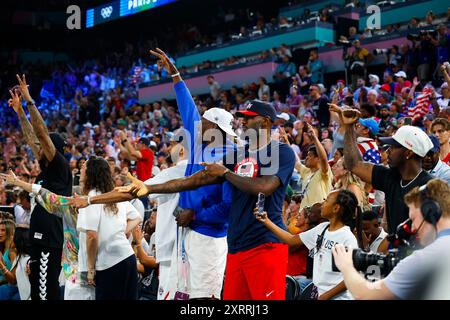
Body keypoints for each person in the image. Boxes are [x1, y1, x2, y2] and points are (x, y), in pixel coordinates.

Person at [70, 99, 296, 301]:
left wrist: (224, 174)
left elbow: (265, 187)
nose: (243, 123)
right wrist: (148, 188)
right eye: (242, 119)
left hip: (264, 244)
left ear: (266, 123)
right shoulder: (237, 155)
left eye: (249, 118)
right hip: (236, 246)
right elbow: (194, 180)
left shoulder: (281, 151)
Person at [148, 48, 235, 300]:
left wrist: (196, 214)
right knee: (185, 295)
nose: (197, 127)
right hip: (186, 231)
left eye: (204, 124)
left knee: (205, 298)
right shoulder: (199, 145)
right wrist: (174, 74)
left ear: (216, 129)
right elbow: (187, 107)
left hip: (210, 234)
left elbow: (227, 206)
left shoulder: (231, 154)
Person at [8, 75, 72, 300]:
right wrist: (19, 113)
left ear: (53, 148)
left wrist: (29, 101)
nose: (38, 147)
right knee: (38, 293)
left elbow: (41, 134)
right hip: (39, 239)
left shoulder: (60, 166)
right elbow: (32, 138)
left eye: (43, 145)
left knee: (46, 294)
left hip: (49, 239)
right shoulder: (47, 167)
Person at [333, 179, 450, 299]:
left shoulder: (426, 258)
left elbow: (364, 294)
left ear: (430, 211)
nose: (413, 227)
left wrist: (346, 266)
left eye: (413, 219)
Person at [337, 106, 433, 235]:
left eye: (393, 147)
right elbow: (354, 165)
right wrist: (349, 127)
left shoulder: (429, 187)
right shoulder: (390, 176)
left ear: (408, 153)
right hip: (396, 251)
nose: (387, 151)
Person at [255, 189, 360, 300]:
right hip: (318, 293)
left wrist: (325, 296)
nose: (322, 204)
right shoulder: (322, 228)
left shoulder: (347, 238)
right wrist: (266, 221)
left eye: (327, 200)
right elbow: (290, 239)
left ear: (336, 208)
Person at [77, 157, 142, 300]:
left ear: (90, 173)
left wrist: (91, 270)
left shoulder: (91, 198)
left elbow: (92, 236)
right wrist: (120, 232)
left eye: (84, 167)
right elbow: (136, 217)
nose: (81, 169)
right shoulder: (113, 194)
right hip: (128, 259)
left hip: (109, 265)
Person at [142, 130, 188, 300]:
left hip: (170, 247)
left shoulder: (172, 172)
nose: (168, 149)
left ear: (182, 149)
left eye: (172, 144)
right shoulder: (197, 170)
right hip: (185, 246)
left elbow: (142, 190)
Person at [294, 123, 333, 210]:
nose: (306, 158)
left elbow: (323, 158)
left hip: (318, 215)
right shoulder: (307, 171)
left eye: (310, 155)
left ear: (317, 158)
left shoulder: (324, 172)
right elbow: (296, 161)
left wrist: (315, 139)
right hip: (304, 216)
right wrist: (286, 143)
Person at [0, 217, 18, 299]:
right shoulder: (2, 247)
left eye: (3, 230)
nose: (0, 233)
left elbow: (14, 280)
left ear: (10, 232)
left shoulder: (12, 252)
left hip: (9, 286)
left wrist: (1, 265)